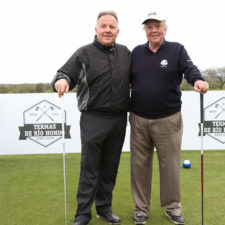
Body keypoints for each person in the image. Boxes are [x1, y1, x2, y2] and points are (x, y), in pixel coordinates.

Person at [51, 11, 131, 225]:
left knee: (110, 167)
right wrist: (61, 80)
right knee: (90, 167)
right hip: (93, 118)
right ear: (96, 29)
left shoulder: (126, 53)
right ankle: (83, 213)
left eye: (111, 27)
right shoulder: (84, 53)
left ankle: (104, 208)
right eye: (103, 26)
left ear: (118, 31)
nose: (107, 30)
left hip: (119, 119)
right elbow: (63, 73)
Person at [130, 11, 209, 225]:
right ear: (144, 30)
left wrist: (198, 80)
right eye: (149, 26)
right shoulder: (136, 52)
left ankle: (172, 208)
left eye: (158, 25)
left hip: (168, 118)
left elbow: (190, 69)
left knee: (170, 166)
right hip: (138, 118)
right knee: (139, 166)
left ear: (165, 28)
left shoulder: (177, 50)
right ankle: (141, 209)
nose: (154, 30)